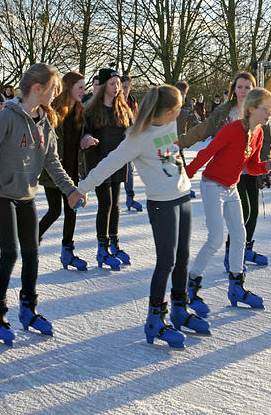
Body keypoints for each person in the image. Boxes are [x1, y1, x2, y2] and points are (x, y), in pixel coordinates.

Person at [78, 85, 208, 347]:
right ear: (167, 112)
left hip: (182, 196)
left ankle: (179, 310)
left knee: (182, 256)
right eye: (178, 107)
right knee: (167, 260)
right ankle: (155, 320)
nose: (181, 111)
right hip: (161, 204)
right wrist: (81, 188)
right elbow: (110, 162)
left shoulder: (170, 125)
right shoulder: (138, 136)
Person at [0, 63, 84, 345]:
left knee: (32, 253)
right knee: (10, 254)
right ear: (37, 88)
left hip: (27, 195)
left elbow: (51, 161)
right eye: (54, 88)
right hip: (2, 195)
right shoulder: (7, 117)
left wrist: (70, 190)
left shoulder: (46, 121)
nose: (57, 93)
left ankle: (28, 309)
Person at [185, 88, 271, 314]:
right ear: (251, 109)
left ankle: (237, 287)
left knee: (240, 235)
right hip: (212, 185)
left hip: (231, 188)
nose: (270, 113)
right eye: (265, 109)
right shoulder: (231, 130)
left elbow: (251, 166)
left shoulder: (258, 132)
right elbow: (206, 153)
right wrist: (185, 176)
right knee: (216, 238)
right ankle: (190, 288)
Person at [180, 72, 271, 268]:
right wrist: (178, 142)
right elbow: (202, 131)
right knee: (243, 213)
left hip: (251, 168)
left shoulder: (261, 111)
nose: (243, 91)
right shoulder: (225, 112)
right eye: (239, 87)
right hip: (230, 172)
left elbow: (265, 144)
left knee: (253, 213)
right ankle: (233, 254)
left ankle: (244, 249)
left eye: (247, 87)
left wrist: (268, 169)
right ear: (233, 90)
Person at [38, 71, 93, 272]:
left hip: (72, 169)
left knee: (72, 209)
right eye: (80, 87)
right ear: (68, 87)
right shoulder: (54, 111)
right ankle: (32, 239)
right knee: (55, 210)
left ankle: (67, 252)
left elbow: (83, 134)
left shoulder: (80, 111)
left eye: (84, 88)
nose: (83, 91)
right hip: (54, 171)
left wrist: (86, 139)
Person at [83, 68, 135, 270]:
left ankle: (114, 244)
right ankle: (102, 248)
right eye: (112, 83)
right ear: (104, 85)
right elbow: (84, 132)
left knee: (115, 205)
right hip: (99, 162)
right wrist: (86, 138)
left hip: (118, 162)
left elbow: (132, 131)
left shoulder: (122, 108)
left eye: (118, 84)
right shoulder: (92, 110)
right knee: (106, 203)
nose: (117, 87)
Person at [121, 74, 143, 212]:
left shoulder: (133, 102)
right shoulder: (114, 102)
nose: (124, 90)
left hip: (131, 140)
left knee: (130, 169)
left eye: (127, 87)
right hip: (118, 140)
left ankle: (130, 197)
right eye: (122, 87)